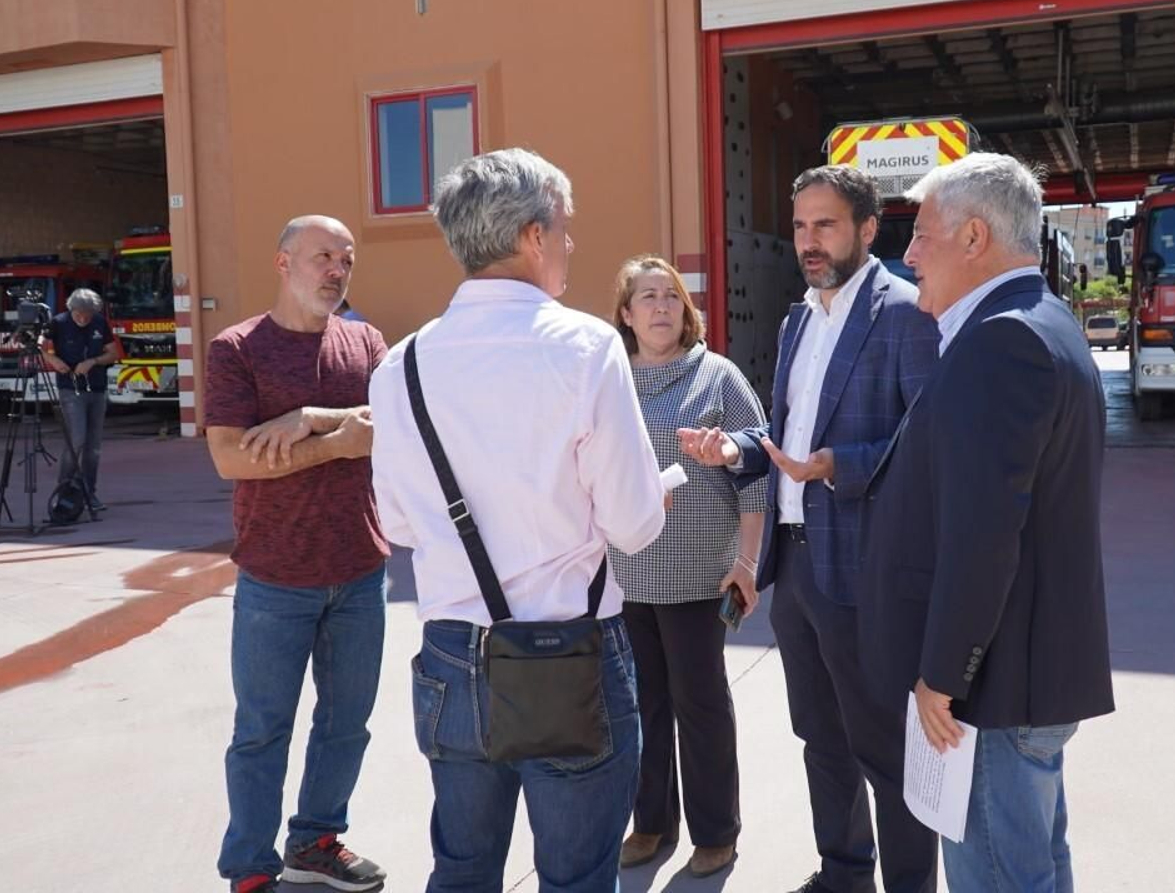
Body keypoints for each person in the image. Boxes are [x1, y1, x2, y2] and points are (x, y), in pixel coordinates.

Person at [369, 149, 667, 892]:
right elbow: (633, 526)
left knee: (462, 872)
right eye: (563, 231)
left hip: (450, 657)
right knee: (575, 877)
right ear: (533, 236)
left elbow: (400, 526)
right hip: (569, 657)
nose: (569, 246)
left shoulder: (399, 365)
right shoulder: (588, 345)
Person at [679, 164, 941, 893]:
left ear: (866, 228)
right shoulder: (799, 317)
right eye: (799, 226)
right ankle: (845, 872)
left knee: (885, 750)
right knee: (820, 739)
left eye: (825, 225)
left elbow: (929, 442)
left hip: (864, 570)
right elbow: (786, 431)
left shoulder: (905, 314)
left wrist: (838, 466)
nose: (808, 242)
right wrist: (736, 447)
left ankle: (910, 885)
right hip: (795, 572)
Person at [862, 152, 1115, 893]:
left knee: (1000, 876)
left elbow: (983, 535)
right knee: (1032, 865)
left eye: (921, 235)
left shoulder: (1000, 343)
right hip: (1022, 674)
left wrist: (943, 674)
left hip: (993, 687)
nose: (906, 255)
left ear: (974, 237)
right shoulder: (1044, 323)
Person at [203, 215, 390, 893]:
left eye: (346, 259)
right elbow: (230, 458)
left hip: (361, 572)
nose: (337, 270)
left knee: (346, 726)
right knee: (261, 731)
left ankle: (315, 840)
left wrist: (309, 418)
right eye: (322, 257)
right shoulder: (238, 349)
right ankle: (250, 867)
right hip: (274, 577)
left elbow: (389, 425)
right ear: (283, 262)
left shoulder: (364, 340)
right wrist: (340, 438)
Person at [607, 255, 767, 878]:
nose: (661, 307)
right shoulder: (611, 378)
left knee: (699, 703)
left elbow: (757, 471)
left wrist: (746, 560)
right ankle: (650, 823)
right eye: (647, 297)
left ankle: (716, 830)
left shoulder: (718, 376)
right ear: (626, 313)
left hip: (701, 574)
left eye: (671, 296)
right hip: (627, 575)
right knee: (641, 705)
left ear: (686, 310)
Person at [42, 288, 122, 509]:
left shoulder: (99, 322)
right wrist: (54, 361)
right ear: (71, 309)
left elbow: (113, 353)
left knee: (93, 446)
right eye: (79, 314)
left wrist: (93, 361)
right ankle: (64, 490)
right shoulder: (57, 323)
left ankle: (88, 493)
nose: (83, 318)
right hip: (70, 388)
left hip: (96, 388)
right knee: (76, 440)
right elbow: (43, 350)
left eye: (87, 314)